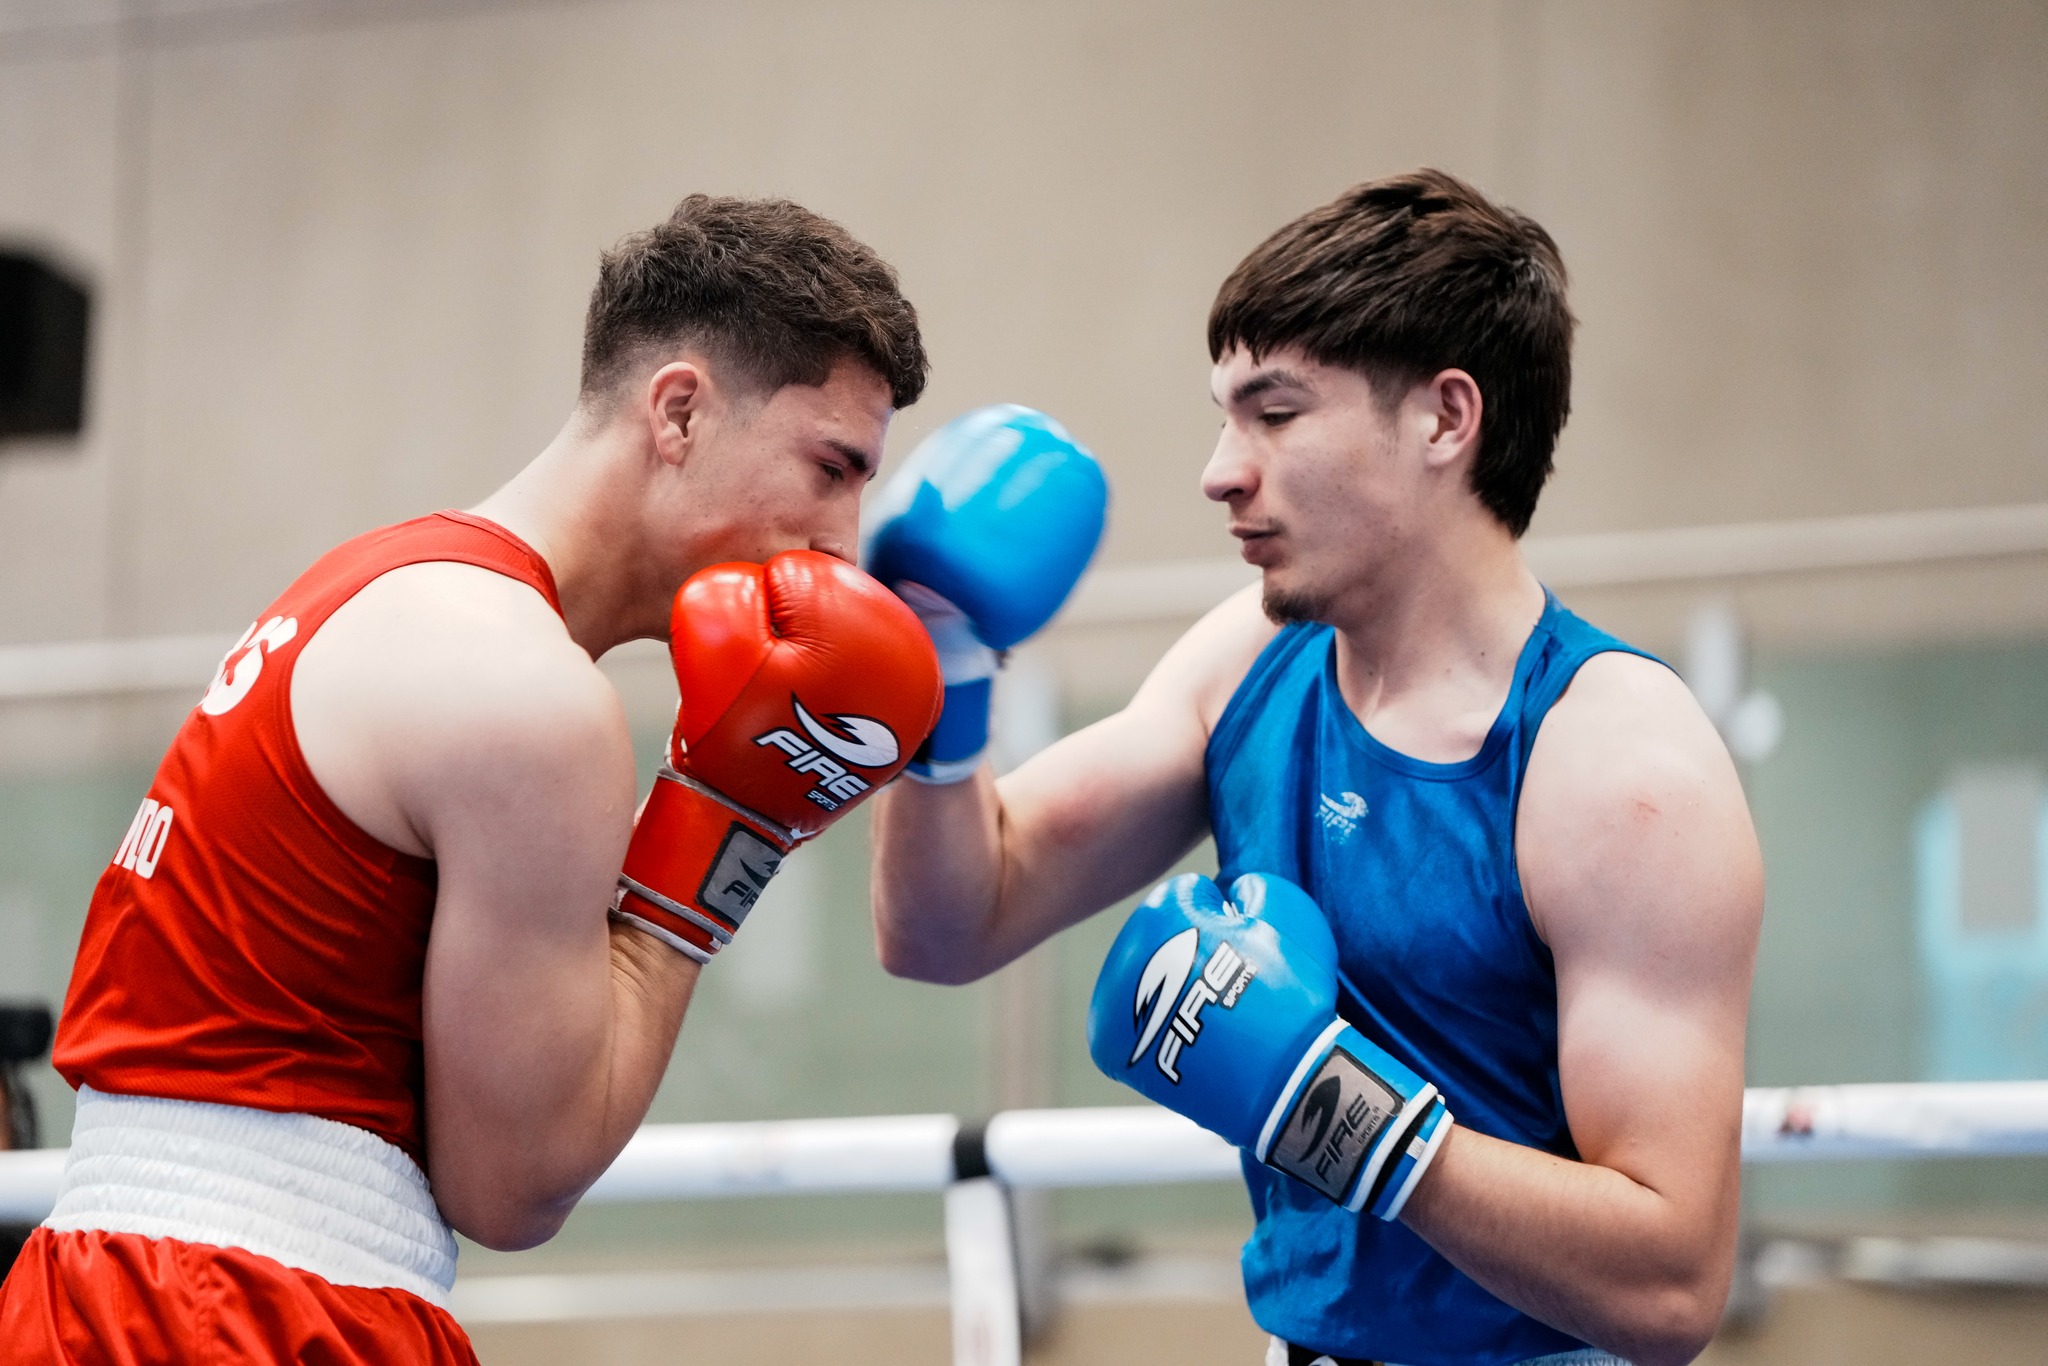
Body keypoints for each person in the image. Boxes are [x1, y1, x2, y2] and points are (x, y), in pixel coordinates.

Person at [0, 194, 941, 1364]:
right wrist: (724, 833)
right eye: (830, 465)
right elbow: (515, 1184)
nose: (843, 542)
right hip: (249, 1308)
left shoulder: (379, 581)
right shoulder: (527, 696)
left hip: (121, 1291)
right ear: (681, 411)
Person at [867, 169, 1763, 1366]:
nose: (1219, 470)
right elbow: (949, 923)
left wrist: (1334, 1113)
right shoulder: (1248, 660)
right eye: (1224, 415)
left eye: (1273, 413)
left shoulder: (1616, 760)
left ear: (1445, 419)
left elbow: (1667, 1287)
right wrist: (941, 673)